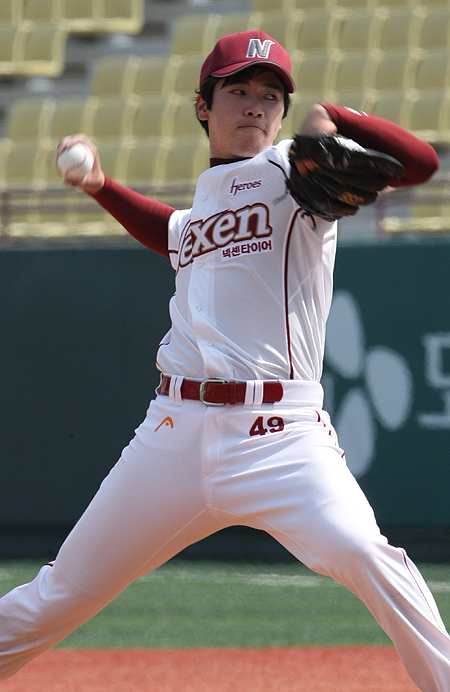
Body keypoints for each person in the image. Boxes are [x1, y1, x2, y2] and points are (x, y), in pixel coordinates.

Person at [0, 30, 449, 691]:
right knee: (60, 592)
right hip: (173, 435)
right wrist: (100, 186)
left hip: (281, 438)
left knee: (366, 554)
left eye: (271, 95)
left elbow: (419, 164)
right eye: (238, 90)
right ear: (204, 107)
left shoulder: (296, 169)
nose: (256, 105)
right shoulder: (205, 201)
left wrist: (337, 117)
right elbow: (174, 233)